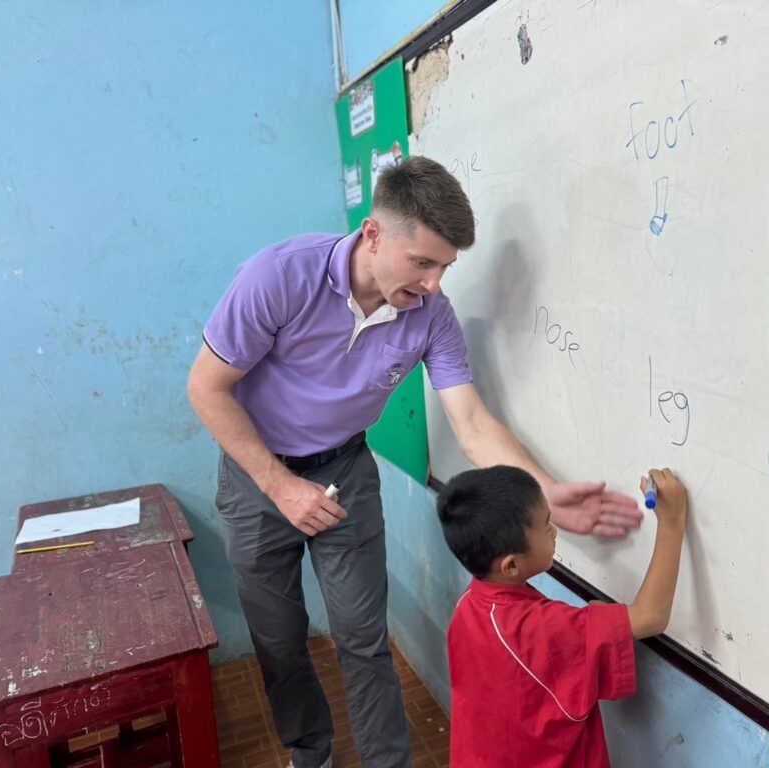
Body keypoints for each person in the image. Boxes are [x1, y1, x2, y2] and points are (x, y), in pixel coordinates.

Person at [186, 155, 643, 768]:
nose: (434, 285)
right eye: (423, 263)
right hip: (257, 474)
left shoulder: (432, 316)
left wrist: (544, 493)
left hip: (344, 472)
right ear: (373, 234)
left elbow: (471, 422)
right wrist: (279, 485)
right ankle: (310, 752)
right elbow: (206, 388)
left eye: (445, 267)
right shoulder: (279, 277)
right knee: (279, 639)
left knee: (363, 638)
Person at [436, 465, 688, 768]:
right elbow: (650, 616)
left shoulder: (468, 607)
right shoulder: (541, 628)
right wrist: (672, 521)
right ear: (511, 566)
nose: (554, 531)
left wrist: (592, 623)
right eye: (546, 526)